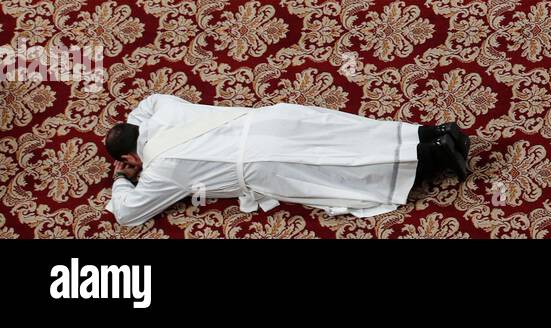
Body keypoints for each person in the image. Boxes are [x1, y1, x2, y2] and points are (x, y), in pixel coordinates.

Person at [105, 94, 471, 227]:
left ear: (128, 156)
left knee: (343, 172)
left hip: (260, 161)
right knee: (350, 132)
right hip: (266, 119)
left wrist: (122, 179)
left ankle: (435, 154)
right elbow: (145, 106)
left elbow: (128, 214)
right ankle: (432, 132)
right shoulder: (162, 110)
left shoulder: (160, 171)